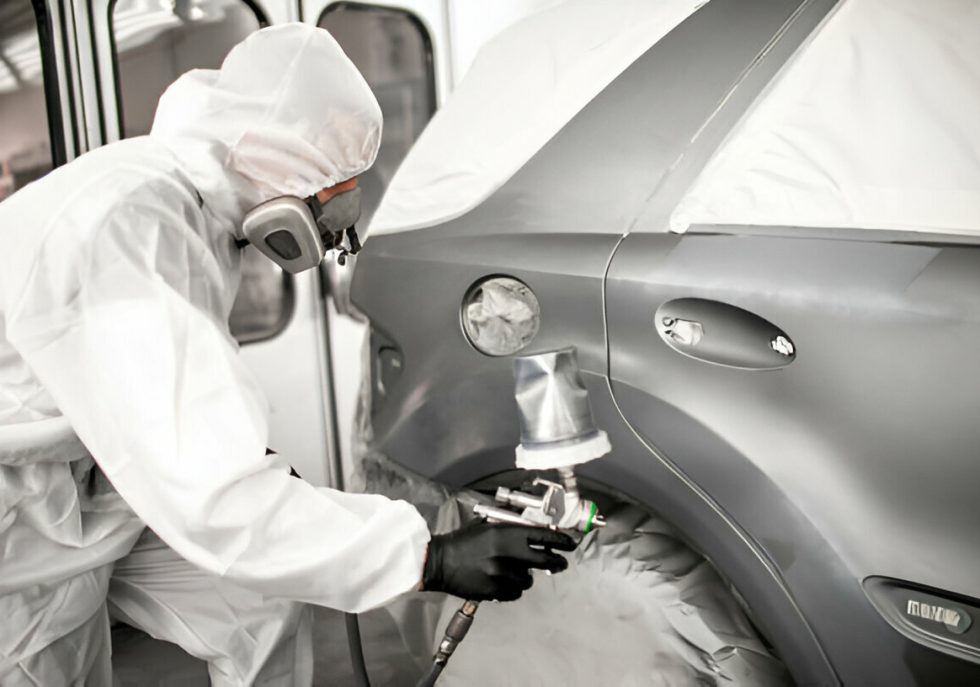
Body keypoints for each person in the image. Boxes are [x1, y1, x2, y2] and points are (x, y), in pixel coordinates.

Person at [0, 23, 574, 686]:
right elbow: (217, 500)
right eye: (330, 194)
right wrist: (431, 556)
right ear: (275, 154)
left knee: (260, 598)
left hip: (96, 479)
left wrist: (269, 478)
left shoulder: (195, 210)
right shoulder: (132, 226)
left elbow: (170, 415)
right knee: (51, 670)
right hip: (24, 513)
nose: (336, 232)